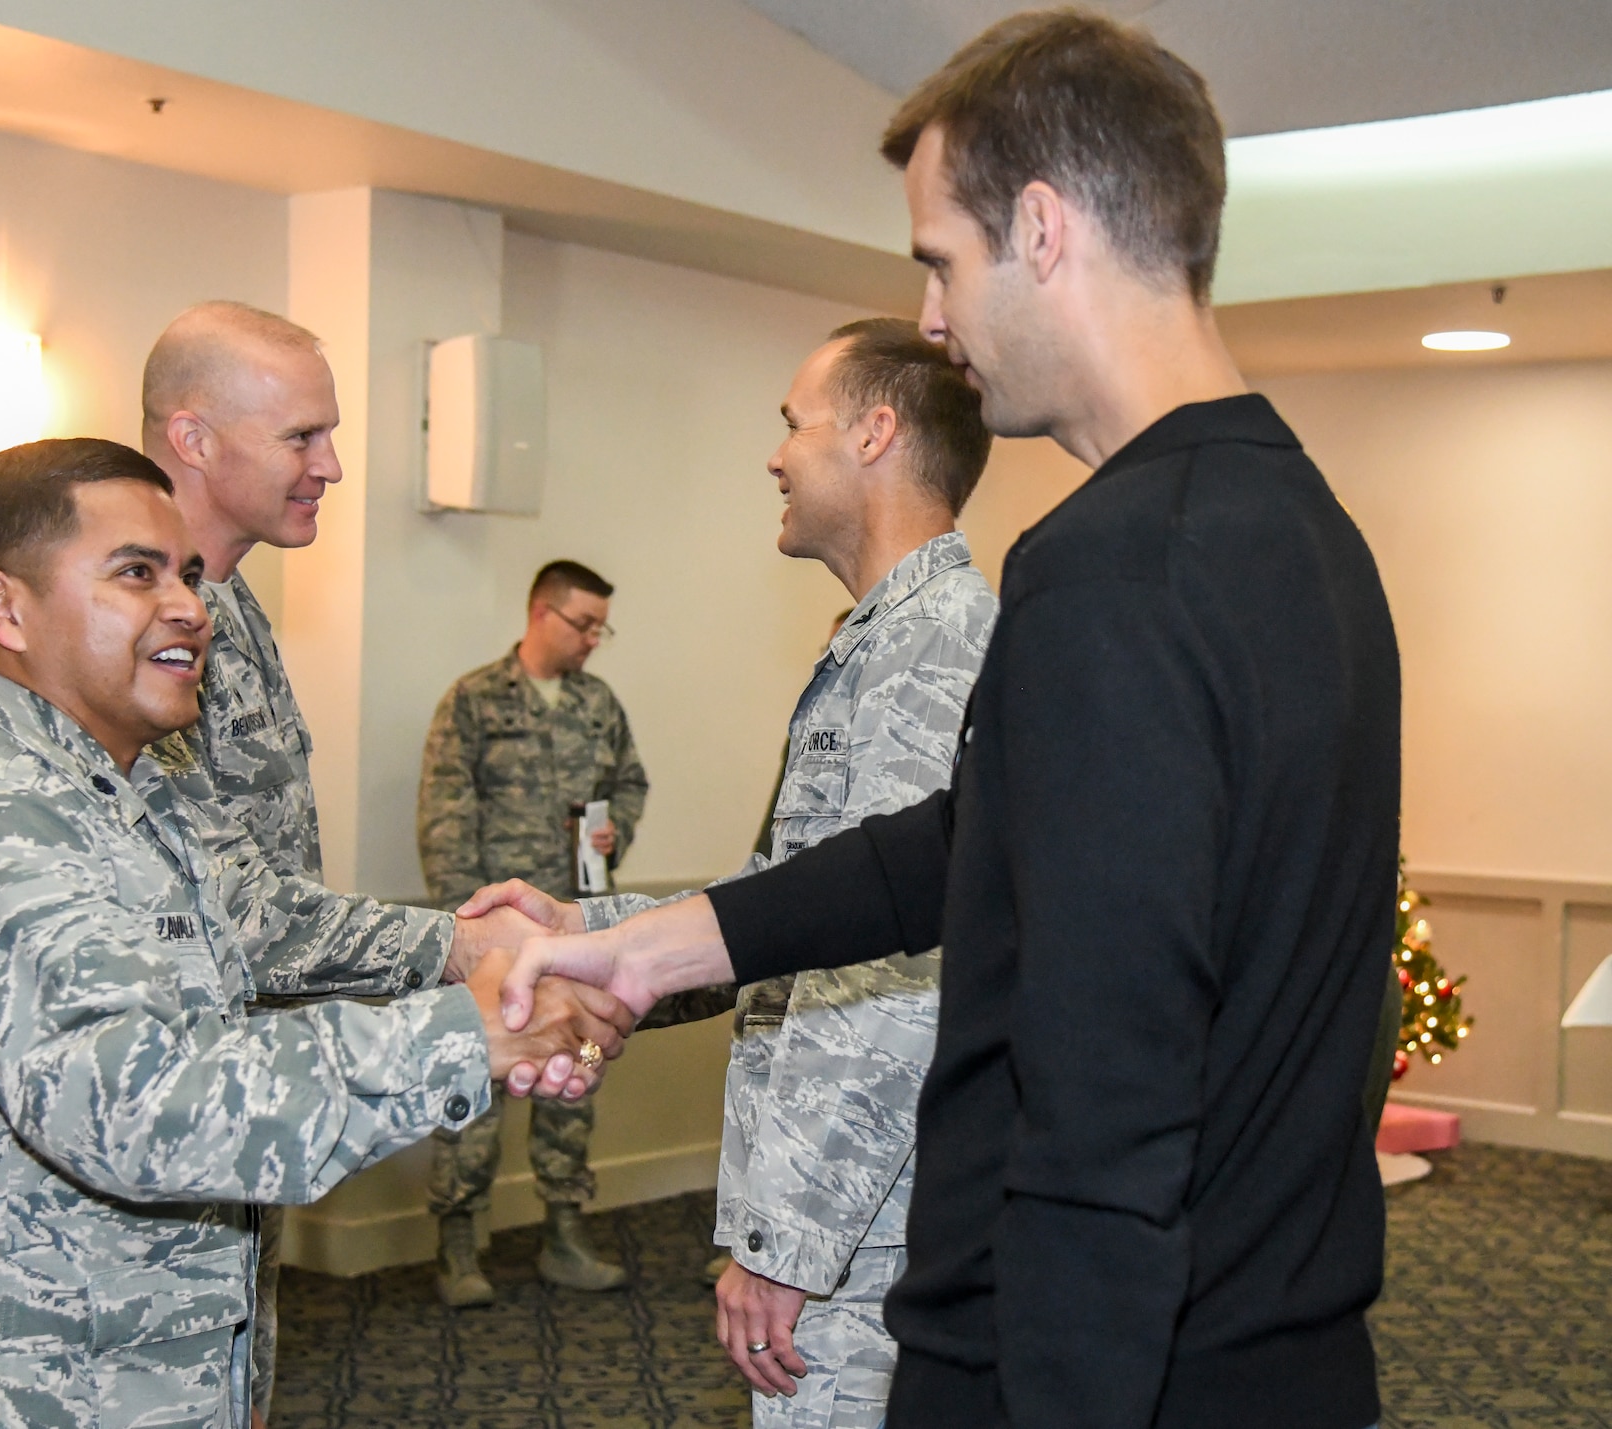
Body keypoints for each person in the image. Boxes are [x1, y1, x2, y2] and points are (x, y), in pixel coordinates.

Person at [497, 13, 1400, 1429]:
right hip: (1267, 1352)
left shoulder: (1115, 565)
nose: (931, 318)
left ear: (1042, 230)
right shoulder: (1298, 528)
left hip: (1107, 1370)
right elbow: (971, 843)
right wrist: (645, 951)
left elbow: (1108, 1102)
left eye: (941, 260)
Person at [0, 437, 629, 1428]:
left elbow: (265, 920)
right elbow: (143, 1103)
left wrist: (468, 949)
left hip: (139, 1368)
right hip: (19, 1388)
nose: (190, 608)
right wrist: (471, 1029)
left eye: (188, 574)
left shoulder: (126, 792)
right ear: (2, 606)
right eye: (135, 572)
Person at [469, 320, 995, 1426]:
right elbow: (782, 905)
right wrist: (591, 926)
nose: (773, 456)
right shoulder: (880, 636)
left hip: (865, 1220)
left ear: (872, 433)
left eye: (790, 424)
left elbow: (885, 968)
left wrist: (785, 1242)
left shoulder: (932, 644)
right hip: (853, 1207)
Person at [140, 301, 550, 1412]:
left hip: (247, 1088)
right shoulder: (147, 636)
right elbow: (240, 912)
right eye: (300, 438)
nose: (330, 465)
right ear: (192, 438)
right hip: (163, 1109)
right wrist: (466, 946)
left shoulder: (236, 613)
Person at [417, 559, 650, 1305]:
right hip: (495, 944)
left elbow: (630, 784)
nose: (592, 639)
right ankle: (459, 1243)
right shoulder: (476, 700)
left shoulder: (597, 704)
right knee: (475, 1087)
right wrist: (470, 934)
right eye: (584, 623)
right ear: (541, 613)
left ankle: (564, 1231)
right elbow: (444, 818)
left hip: (578, 936)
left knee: (575, 1076)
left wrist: (617, 830)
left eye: (599, 627)